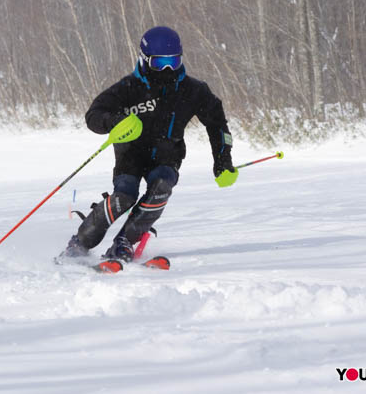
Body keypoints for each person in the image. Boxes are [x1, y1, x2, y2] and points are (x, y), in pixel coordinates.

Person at [61, 26, 238, 262]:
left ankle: (124, 242)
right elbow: (93, 115)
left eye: (173, 62)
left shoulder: (194, 91)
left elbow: (218, 126)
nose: (167, 69)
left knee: (161, 186)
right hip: (130, 156)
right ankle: (80, 243)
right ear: (144, 60)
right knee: (124, 196)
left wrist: (223, 159)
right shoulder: (128, 88)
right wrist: (113, 121)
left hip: (167, 155)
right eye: (159, 63)